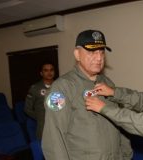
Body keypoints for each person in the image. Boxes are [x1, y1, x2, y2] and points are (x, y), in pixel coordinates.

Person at [42, 30, 132, 160]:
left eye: (102, 52)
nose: (99, 57)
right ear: (77, 54)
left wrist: (126, 154)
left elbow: (119, 123)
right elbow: (54, 137)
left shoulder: (108, 84)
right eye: (91, 52)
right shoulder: (62, 87)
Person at [24, 61, 55, 140]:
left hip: (58, 123)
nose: (49, 72)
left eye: (51, 70)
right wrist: (40, 117)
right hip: (43, 126)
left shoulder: (59, 86)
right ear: (41, 73)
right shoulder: (35, 88)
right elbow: (27, 109)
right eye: (46, 70)